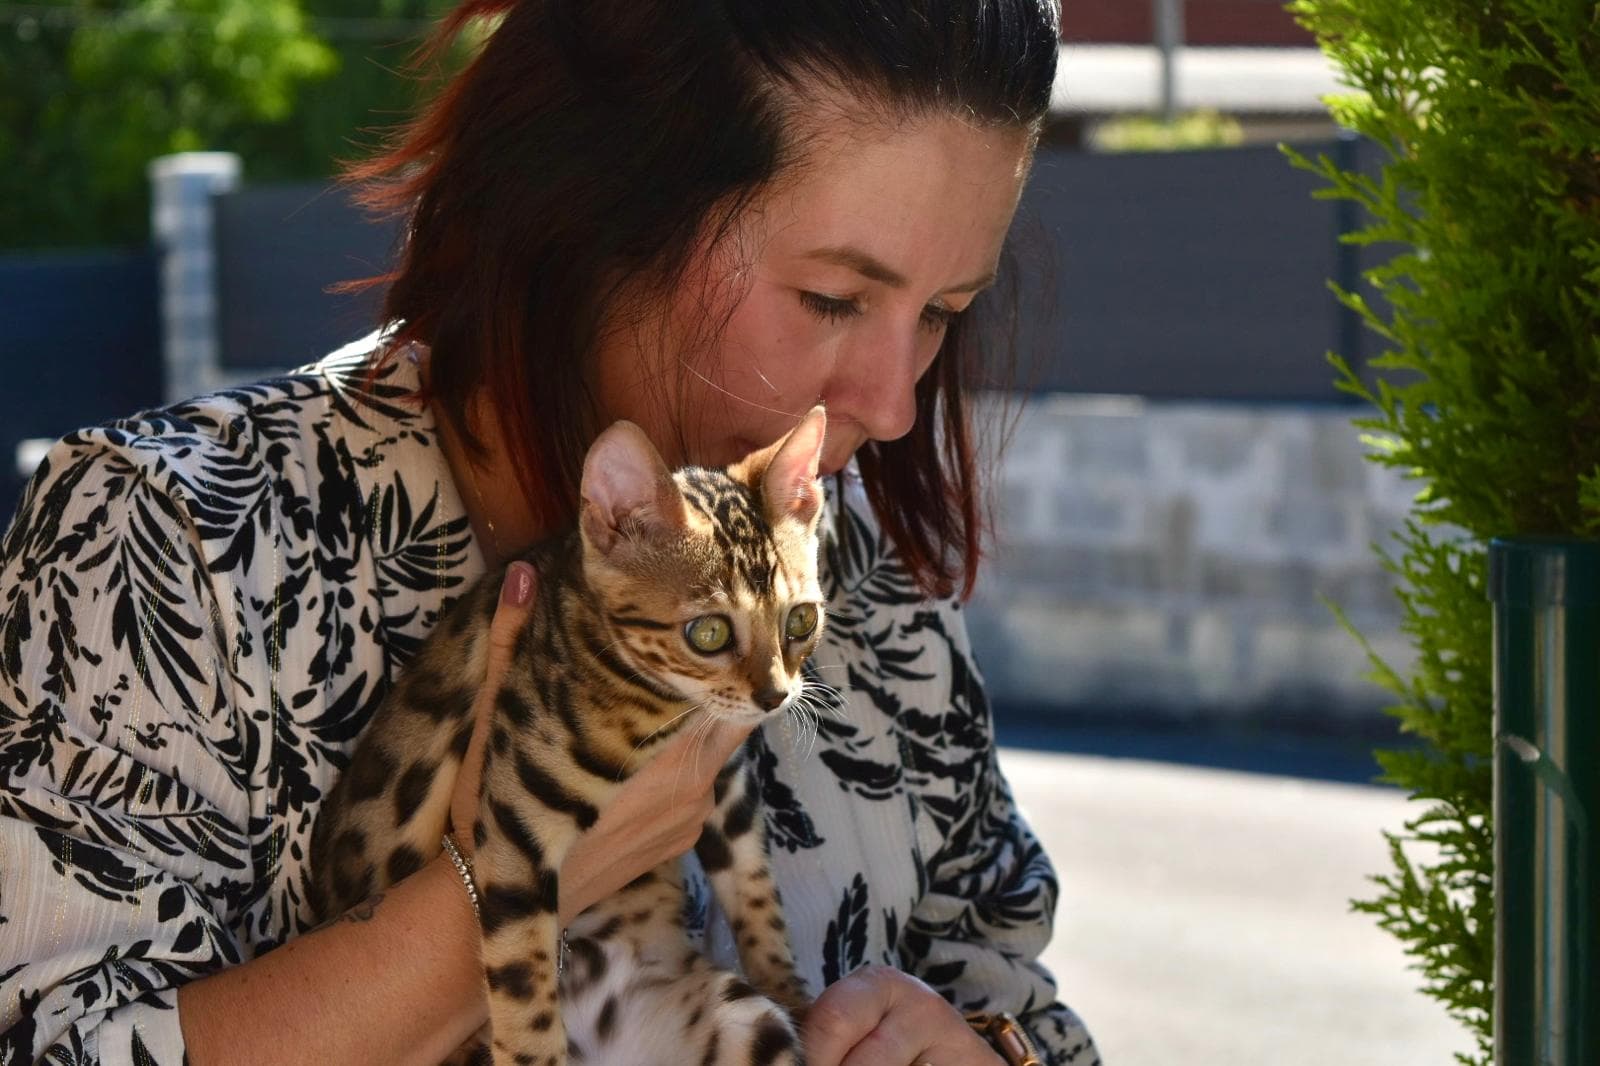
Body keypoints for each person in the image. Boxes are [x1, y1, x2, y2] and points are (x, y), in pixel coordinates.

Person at [0, 1, 1100, 1063]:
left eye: (943, 313)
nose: (895, 403)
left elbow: (1013, 984)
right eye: (831, 298)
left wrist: (982, 1050)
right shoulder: (170, 540)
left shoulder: (847, 575)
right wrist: (499, 885)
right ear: (597, 215)